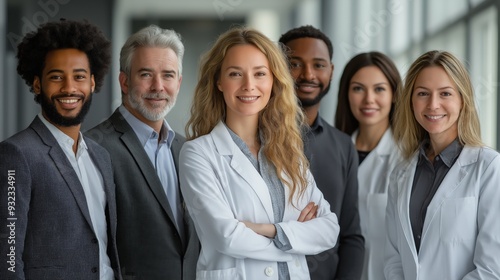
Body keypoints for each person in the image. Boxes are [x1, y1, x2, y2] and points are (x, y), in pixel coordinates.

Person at [179, 27, 339, 280]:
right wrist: (295, 240)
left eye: (260, 74)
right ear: (219, 81)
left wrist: (266, 230)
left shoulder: (288, 151)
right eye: (235, 74)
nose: (249, 85)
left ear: (273, 80)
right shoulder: (198, 154)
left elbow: (329, 229)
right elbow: (227, 238)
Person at [0, 19, 120, 279]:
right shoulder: (16, 154)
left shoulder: (101, 157)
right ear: (37, 84)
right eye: (56, 77)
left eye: (78, 77)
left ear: (92, 82)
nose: (69, 88)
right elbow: (7, 252)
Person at [86, 25, 199, 280]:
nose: (158, 86)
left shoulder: (188, 150)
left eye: (168, 75)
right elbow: (89, 247)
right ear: (124, 81)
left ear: (178, 83)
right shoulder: (93, 147)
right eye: (146, 74)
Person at [385, 50, 500, 279]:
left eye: (445, 93)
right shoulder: (401, 173)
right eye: (423, 93)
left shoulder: (489, 168)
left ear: (462, 99)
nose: (433, 104)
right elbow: (393, 257)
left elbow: (492, 269)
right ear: (411, 101)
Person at [279, 25, 364, 279]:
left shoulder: (342, 145)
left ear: (331, 70)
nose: (308, 74)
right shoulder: (256, 138)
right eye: (295, 64)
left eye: (319, 65)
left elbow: (351, 236)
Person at [334, 51, 402, 280]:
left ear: (394, 94)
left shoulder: (406, 158)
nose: (369, 99)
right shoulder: (332, 152)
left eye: (379, 89)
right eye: (358, 88)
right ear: (346, 94)